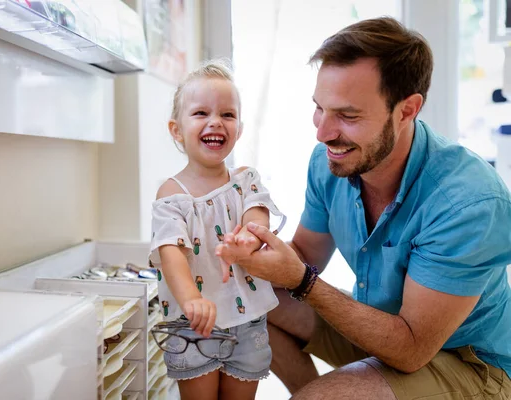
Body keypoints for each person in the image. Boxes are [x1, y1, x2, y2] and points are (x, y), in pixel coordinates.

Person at [216, 17, 511, 399]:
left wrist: (301, 279)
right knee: (243, 306)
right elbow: (305, 256)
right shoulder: (332, 163)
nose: (323, 132)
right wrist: (247, 251)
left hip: (466, 362)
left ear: (407, 110)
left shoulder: (467, 202)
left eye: (348, 116)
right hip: (382, 328)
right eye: (320, 108)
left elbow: (410, 349)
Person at [148, 60, 286, 400]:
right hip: (194, 321)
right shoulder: (171, 195)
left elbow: (258, 213)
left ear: (238, 129)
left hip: (246, 319)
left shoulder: (245, 179)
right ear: (177, 130)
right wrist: (191, 299)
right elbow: (171, 254)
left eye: (227, 114)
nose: (215, 122)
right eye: (200, 113)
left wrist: (248, 237)